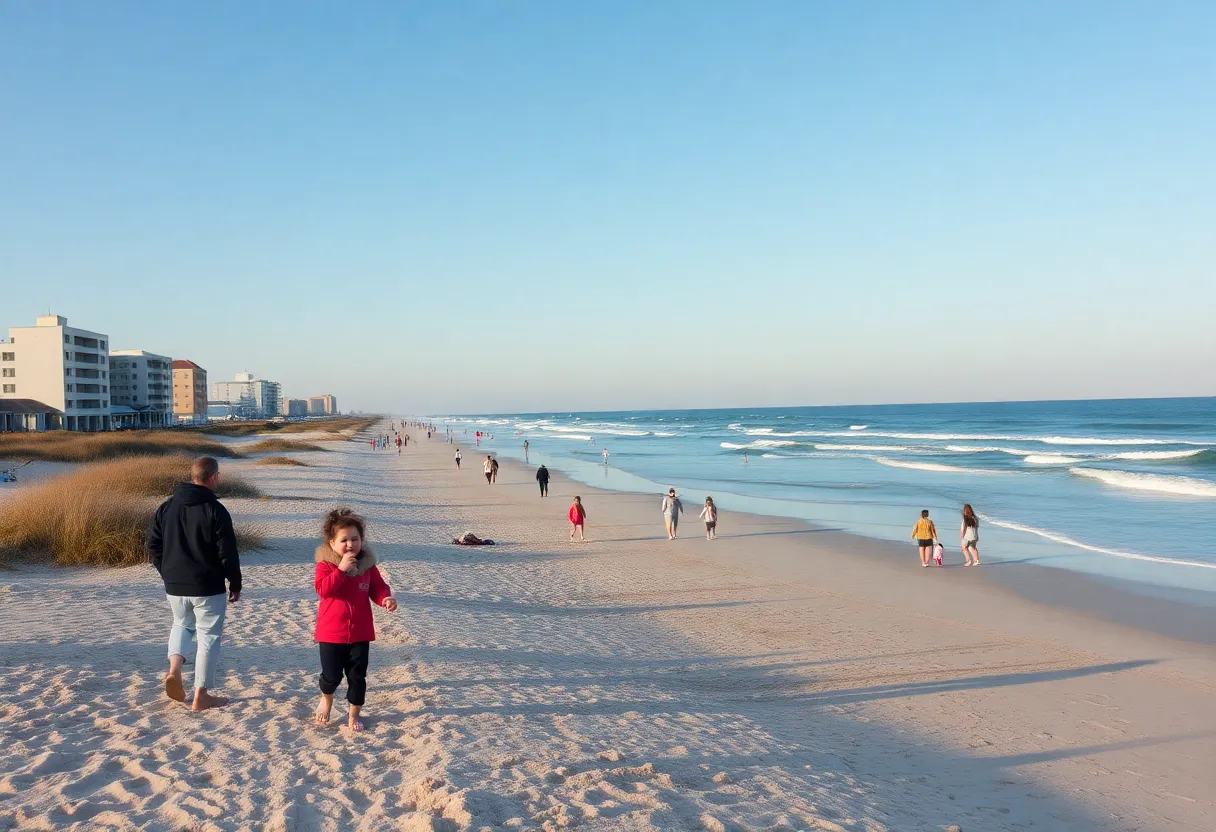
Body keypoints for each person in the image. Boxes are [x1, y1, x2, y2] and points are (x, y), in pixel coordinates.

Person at [148, 456, 241, 711]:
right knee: (208, 637)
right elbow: (228, 552)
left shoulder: (167, 507)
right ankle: (201, 695)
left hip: (175, 585)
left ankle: (174, 669)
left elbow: (153, 546)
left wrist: (166, 572)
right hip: (207, 586)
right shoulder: (215, 509)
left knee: (181, 625)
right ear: (214, 477)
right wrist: (235, 582)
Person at [313, 508, 397, 732]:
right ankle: (327, 698)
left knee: (357, 676)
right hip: (331, 633)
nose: (350, 544)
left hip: (360, 632)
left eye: (355, 539)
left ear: (362, 541)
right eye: (344, 540)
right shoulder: (326, 566)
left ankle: (354, 713)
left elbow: (378, 588)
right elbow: (323, 590)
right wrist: (340, 570)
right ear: (332, 544)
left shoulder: (367, 567)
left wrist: (386, 598)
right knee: (331, 675)